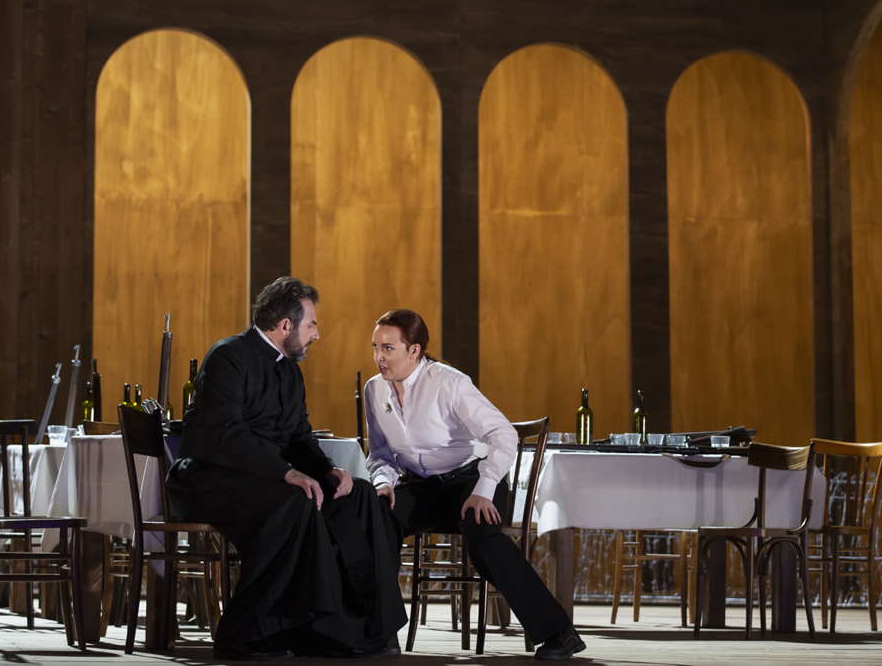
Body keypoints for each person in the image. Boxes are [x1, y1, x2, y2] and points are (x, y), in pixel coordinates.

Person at [167, 277, 406, 660]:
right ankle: (246, 636)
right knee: (293, 501)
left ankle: (352, 629)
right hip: (209, 479)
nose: (317, 334)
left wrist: (328, 471)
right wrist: (286, 473)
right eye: (311, 324)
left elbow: (298, 437)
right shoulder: (228, 357)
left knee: (358, 495)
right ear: (285, 326)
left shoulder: (291, 373)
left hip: (264, 478)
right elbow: (225, 434)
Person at [364, 308, 586, 661]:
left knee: (482, 535)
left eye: (388, 348)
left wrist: (483, 489)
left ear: (415, 350)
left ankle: (559, 633)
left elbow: (503, 435)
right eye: (375, 347)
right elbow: (380, 453)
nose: (379, 357)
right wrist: (383, 482)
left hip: (474, 479)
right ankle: (381, 633)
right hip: (422, 486)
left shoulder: (450, 382)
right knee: (376, 515)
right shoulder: (374, 390)